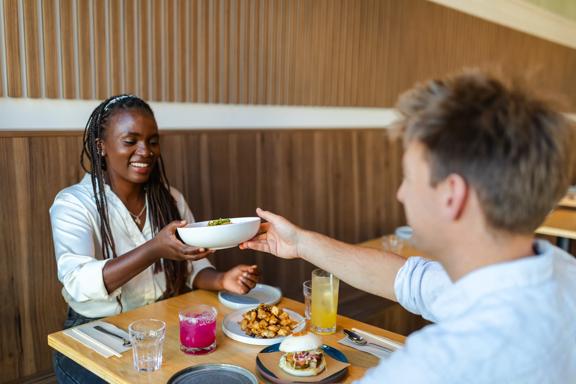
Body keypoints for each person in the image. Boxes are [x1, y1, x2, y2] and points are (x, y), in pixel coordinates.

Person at [241, 71, 576, 383]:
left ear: (452, 196)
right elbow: (405, 279)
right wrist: (300, 243)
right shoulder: (560, 272)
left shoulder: (435, 365)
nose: (401, 193)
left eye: (409, 178)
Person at [50, 94, 260, 383]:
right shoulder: (73, 204)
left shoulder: (170, 199)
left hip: (163, 321)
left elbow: (191, 266)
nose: (145, 151)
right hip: (96, 330)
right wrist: (154, 249)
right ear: (101, 146)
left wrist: (222, 279)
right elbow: (78, 282)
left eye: (152, 141)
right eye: (130, 141)